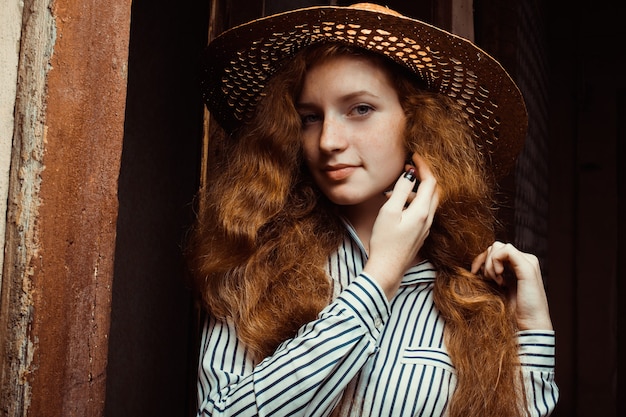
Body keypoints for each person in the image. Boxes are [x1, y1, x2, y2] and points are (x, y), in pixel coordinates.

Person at [188, 3, 558, 416]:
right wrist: (379, 278)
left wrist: (533, 334)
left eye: (360, 109)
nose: (328, 140)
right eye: (309, 117)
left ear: (418, 123)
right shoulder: (253, 265)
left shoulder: (471, 290)